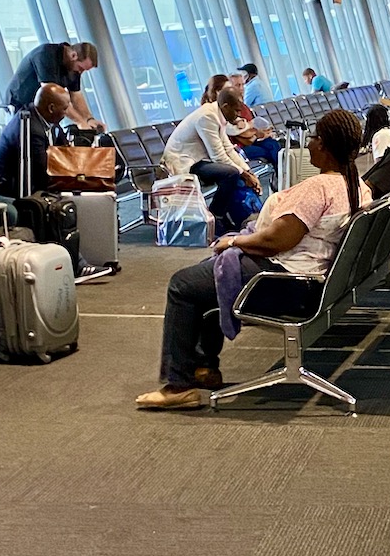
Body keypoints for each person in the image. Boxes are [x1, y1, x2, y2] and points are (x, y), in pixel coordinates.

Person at [137, 110, 366, 410]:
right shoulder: (357, 186)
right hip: (315, 280)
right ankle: (204, 367)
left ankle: (179, 385)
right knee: (204, 277)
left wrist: (233, 240)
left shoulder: (319, 187)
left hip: (288, 284)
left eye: (312, 138)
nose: (308, 144)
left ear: (323, 145)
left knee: (183, 285)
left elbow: (275, 241)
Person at [163, 86, 261, 232]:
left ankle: (226, 215)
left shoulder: (218, 114)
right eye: (236, 110)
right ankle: (216, 215)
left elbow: (228, 149)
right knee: (231, 174)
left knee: (236, 174)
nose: (239, 115)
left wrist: (249, 172)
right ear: (226, 106)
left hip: (198, 159)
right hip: (183, 163)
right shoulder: (207, 117)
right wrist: (244, 174)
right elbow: (218, 156)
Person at [0, 83, 73, 196]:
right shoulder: (30, 128)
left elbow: (65, 151)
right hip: (15, 189)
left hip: (34, 183)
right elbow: (42, 171)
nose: (66, 113)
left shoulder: (46, 118)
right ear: (51, 108)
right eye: (64, 109)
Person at [6, 40, 102, 130]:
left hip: (43, 110)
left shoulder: (73, 68)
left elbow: (76, 96)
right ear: (73, 55)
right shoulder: (45, 55)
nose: (80, 72)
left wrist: (89, 119)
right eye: (81, 68)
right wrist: (80, 121)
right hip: (20, 106)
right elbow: (53, 97)